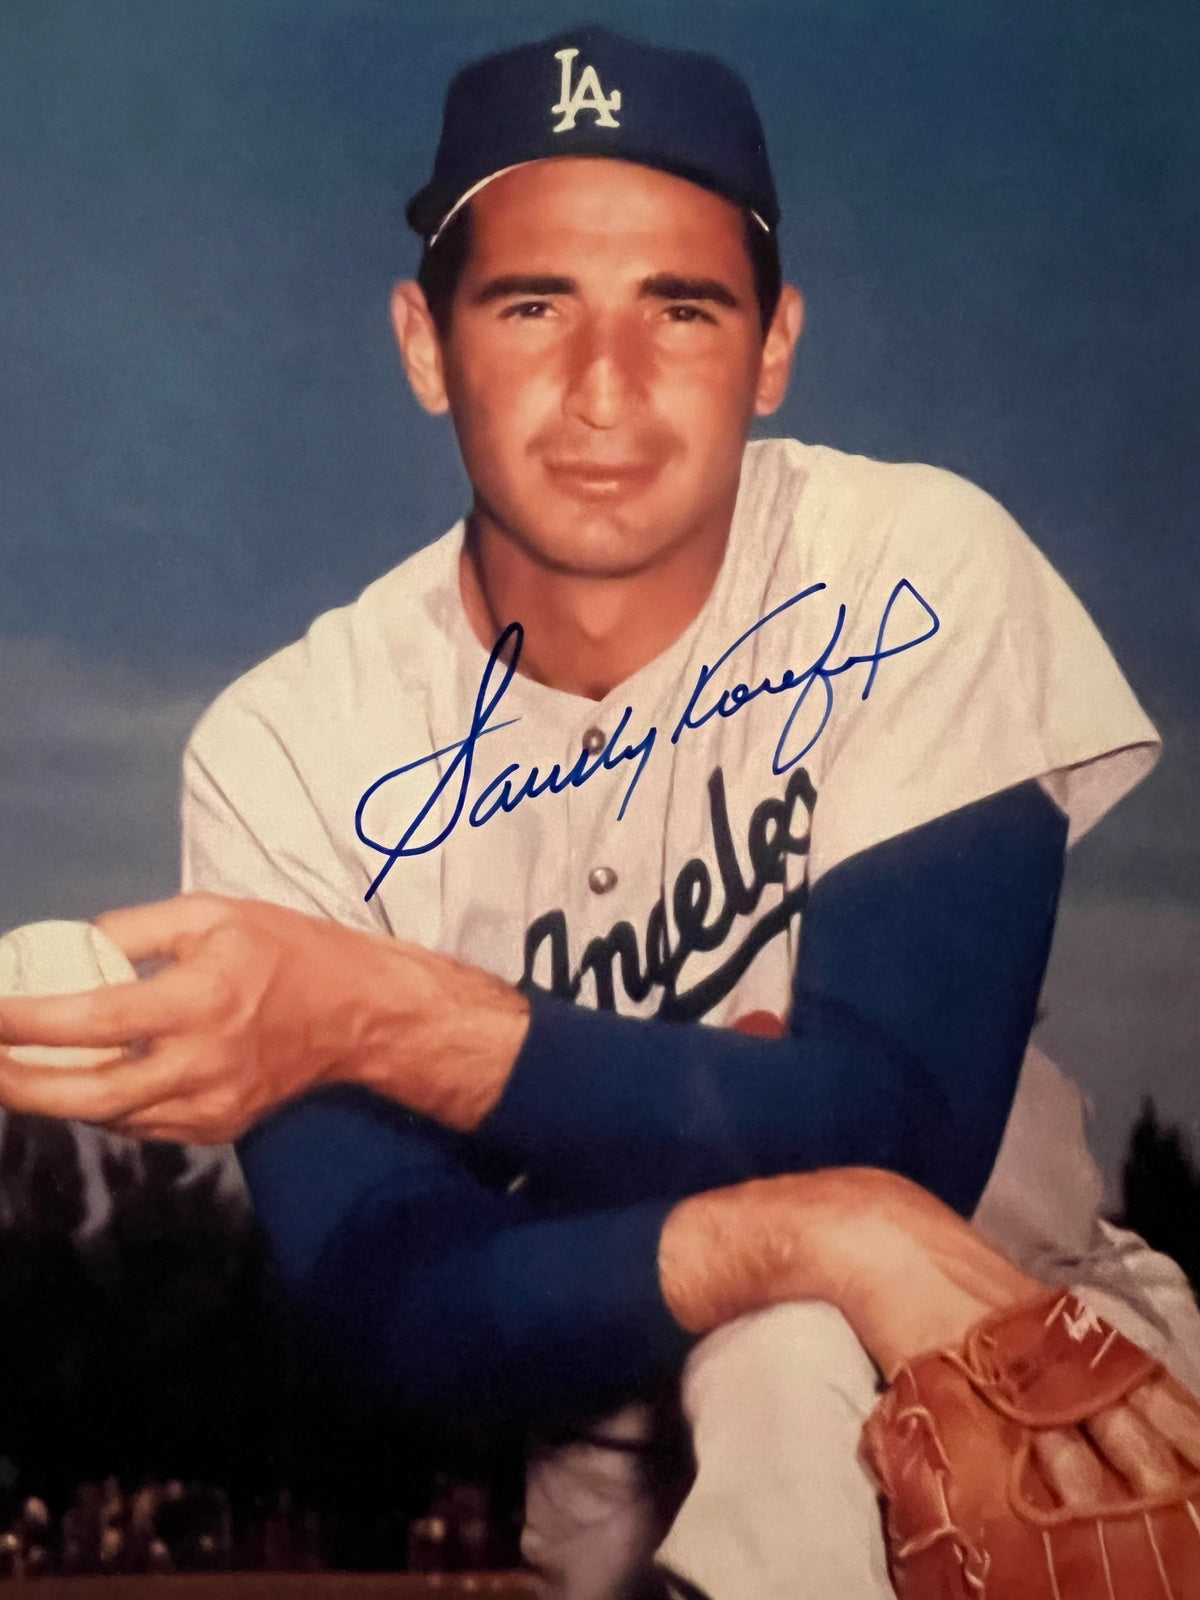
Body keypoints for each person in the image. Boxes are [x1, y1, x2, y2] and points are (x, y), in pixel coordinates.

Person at [0, 24, 1198, 1600]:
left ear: (774, 346)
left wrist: (385, 1017)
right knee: (764, 1356)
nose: (606, 388)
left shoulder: (909, 564)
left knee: (786, 1369)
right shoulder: (292, 747)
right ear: (426, 344)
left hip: (1036, 1353)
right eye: (532, 304)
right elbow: (388, 1296)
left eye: (681, 309)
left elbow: (894, 1120)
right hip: (623, 1460)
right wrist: (801, 1232)